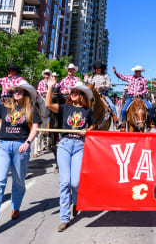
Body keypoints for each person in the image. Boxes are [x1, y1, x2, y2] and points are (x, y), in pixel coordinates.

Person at [0, 81, 40, 240]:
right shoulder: (4, 107)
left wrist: (28, 142)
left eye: (20, 91)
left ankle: (15, 206)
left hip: (21, 146)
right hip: (3, 146)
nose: (16, 93)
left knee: (19, 181)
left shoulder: (31, 109)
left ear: (26, 93)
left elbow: (34, 127)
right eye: (15, 91)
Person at [45, 77, 95, 231]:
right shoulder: (65, 108)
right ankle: (64, 218)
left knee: (76, 183)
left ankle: (76, 201)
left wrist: (87, 130)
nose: (72, 94)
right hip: (65, 145)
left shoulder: (87, 110)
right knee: (65, 182)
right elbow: (47, 104)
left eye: (76, 92)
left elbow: (93, 124)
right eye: (71, 92)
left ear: (82, 95)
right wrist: (50, 87)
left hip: (80, 146)